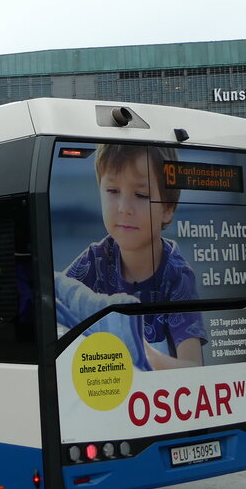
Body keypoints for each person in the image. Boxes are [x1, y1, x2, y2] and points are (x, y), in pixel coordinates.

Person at [64, 143, 204, 369]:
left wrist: (143, 354)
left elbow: (193, 366)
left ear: (167, 209)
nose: (124, 208)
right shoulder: (95, 259)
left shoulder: (177, 274)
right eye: (112, 191)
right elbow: (54, 304)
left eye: (140, 195)